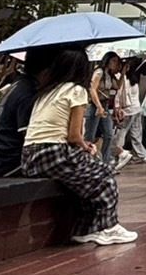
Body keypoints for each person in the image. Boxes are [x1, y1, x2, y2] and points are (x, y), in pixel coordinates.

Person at [21, 46, 136, 245]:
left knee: (86, 179)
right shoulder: (76, 91)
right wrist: (87, 146)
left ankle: (86, 229)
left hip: (30, 156)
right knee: (105, 176)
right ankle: (107, 227)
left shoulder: (47, 91)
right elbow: (74, 136)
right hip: (53, 152)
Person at [0, 48, 55, 177]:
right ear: (46, 71)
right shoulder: (28, 94)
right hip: (9, 163)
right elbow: (30, 138)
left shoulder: (19, 83)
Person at [87, 53, 124, 168]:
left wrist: (123, 72)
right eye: (113, 61)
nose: (115, 64)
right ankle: (88, 162)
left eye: (117, 61)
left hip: (105, 105)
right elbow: (92, 89)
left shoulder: (109, 75)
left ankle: (106, 162)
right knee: (90, 136)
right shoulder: (99, 72)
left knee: (109, 134)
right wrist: (99, 106)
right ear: (107, 61)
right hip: (95, 106)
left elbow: (117, 86)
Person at [111, 58, 146, 166]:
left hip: (127, 110)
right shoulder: (134, 80)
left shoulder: (123, 79)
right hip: (137, 109)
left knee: (121, 132)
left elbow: (119, 95)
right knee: (136, 133)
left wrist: (117, 108)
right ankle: (142, 154)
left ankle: (120, 152)